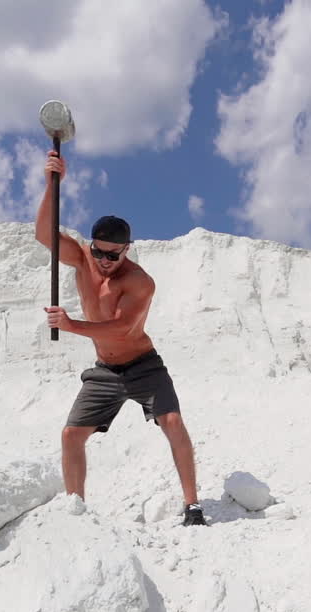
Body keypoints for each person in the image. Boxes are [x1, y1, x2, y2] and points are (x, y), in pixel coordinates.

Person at [36, 150, 205, 526]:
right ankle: (75, 509)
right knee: (70, 435)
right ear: (92, 244)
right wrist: (52, 184)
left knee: (173, 422)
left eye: (113, 255)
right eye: (99, 252)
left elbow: (122, 327)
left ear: (126, 249)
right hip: (105, 370)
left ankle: (193, 506)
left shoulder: (139, 282)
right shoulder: (82, 259)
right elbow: (44, 234)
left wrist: (71, 324)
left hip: (144, 366)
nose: (104, 261)